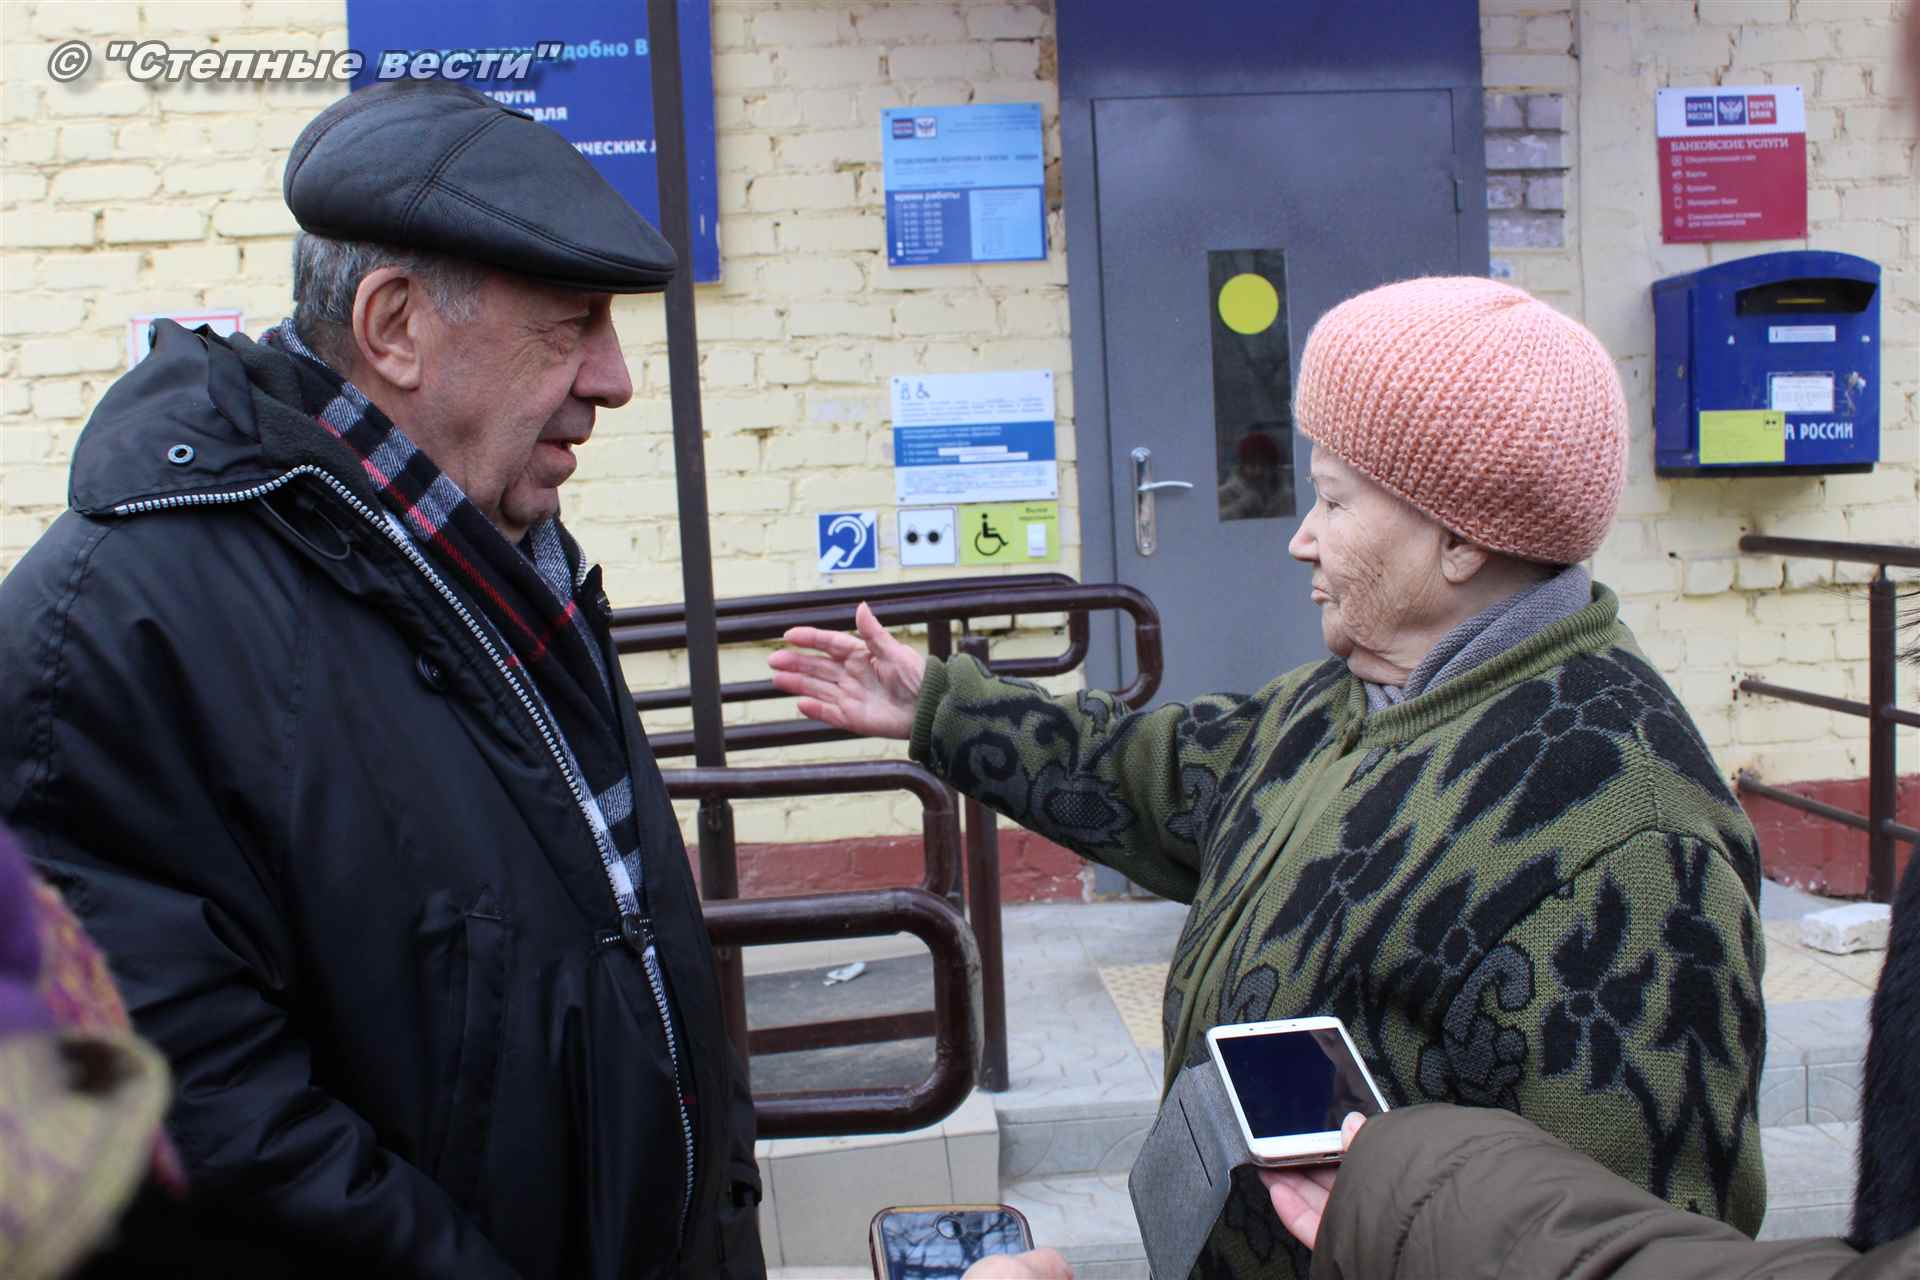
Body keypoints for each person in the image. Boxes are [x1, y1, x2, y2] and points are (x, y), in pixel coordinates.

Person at [772, 276, 1768, 1278]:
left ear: (1461, 539)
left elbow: (1629, 1250)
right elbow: (1164, 776)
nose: (1301, 537)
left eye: (1333, 499)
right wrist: (944, 708)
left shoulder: (1633, 850)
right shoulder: (1364, 695)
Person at [0, 81, 762, 1278]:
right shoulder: (113, 626)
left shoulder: (491, 553)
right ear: (395, 325)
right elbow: (205, 1135)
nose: (614, 378)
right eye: (571, 325)